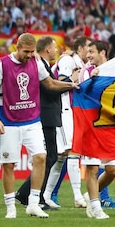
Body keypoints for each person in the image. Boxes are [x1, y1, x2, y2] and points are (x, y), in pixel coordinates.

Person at [0, 33, 78, 219]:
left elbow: (51, 84)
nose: (29, 55)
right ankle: (10, 207)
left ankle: (34, 203)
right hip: (9, 122)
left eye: (31, 51)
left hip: (32, 121)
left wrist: (71, 85)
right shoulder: (2, 65)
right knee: (9, 165)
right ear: (17, 47)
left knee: (41, 157)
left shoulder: (36, 64)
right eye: (26, 51)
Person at [14, 36, 64, 210]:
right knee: (48, 156)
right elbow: (48, 89)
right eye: (55, 47)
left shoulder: (41, 64)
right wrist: (70, 84)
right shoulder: (39, 64)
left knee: (50, 156)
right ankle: (33, 195)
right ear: (48, 49)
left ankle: (28, 193)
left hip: (47, 115)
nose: (56, 50)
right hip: (45, 115)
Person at [43, 36, 91, 209]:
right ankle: (78, 196)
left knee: (61, 156)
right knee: (72, 151)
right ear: (79, 49)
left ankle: (46, 195)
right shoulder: (68, 61)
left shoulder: (78, 63)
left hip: (69, 111)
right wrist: (73, 80)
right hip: (63, 110)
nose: (90, 51)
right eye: (88, 48)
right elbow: (60, 82)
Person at [79, 40, 115, 219]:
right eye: (87, 52)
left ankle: (89, 196)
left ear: (102, 52)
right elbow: (81, 92)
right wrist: (91, 80)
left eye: (91, 52)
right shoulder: (86, 72)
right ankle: (96, 208)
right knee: (92, 168)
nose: (88, 56)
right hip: (90, 125)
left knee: (112, 170)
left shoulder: (114, 70)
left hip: (109, 126)